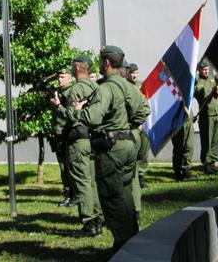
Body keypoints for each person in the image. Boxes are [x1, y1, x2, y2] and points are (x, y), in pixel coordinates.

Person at [61, 45, 138, 253]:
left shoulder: (105, 88)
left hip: (111, 147)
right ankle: (132, 234)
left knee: (112, 196)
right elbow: (142, 109)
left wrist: (77, 113)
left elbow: (93, 117)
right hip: (128, 142)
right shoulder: (126, 85)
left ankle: (123, 242)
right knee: (125, 193)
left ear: (106, 63)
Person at [49, 55, 102, 237]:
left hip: (78, 141)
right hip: (93, 139)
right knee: (92, 181)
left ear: (78, 68)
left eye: (73, 66)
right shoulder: (96, 86)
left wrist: (58, 106)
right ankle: (98, 219)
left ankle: (89, 223)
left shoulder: (76, 89)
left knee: (81, 182)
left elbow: (71, 116)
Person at [118, 61, 150, 223]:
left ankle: (131, 210)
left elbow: (145, 110)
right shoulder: (130, 88)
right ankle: (134, 210)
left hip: (124, 135)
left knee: (125, 175)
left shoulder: (124, 88)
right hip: (131, 132)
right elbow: (145, 110)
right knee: (132, 175)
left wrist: (133, 124)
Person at [50, 68, 76, 208]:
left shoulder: (72, 92)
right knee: (62, 168)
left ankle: (73, 196)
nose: (59, 79)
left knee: (69, 167)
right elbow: (39, 86)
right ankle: (68, 194)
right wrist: (51, 76)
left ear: (71, 78)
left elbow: (71, 115)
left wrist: (59, 105)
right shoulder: (56, 91)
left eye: (62, 77)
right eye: (58, 77)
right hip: (58, 133)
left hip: (68, 134)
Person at [194, 59, 218, 174]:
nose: (206, 71)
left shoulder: (213, 78)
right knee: (207, 140)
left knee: (216, 139)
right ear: (199, 70)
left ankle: (213, 161)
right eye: (204, 70)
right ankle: (206, 163)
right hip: (207, 115)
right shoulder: (197, 81)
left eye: (207, 69)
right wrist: (212, 90)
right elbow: (201, 93)